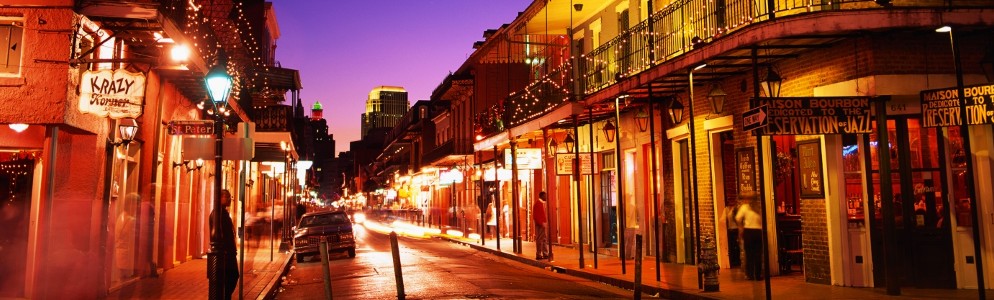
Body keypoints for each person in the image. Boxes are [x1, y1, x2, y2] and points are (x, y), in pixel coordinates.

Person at [208, 190, 239, 300]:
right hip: (224, 253)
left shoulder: (223, 212)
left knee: (231, 277)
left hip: (228, 252)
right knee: (231, 277)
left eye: (229, 196)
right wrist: (224, 250)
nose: (229, 199)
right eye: (226, 196)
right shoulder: (217, 214)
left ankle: (226, 297)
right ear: (219, 198)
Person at [735, 200, 763, 280]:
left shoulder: (745, 207)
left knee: (749, 254)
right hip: (757, 231)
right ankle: (758, 275)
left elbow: (737, 218)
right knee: (758, 254)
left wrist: (741, 228)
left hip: (748, 231)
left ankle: (750, 275)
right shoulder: (758, 208)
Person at [534, 192, 550, 260]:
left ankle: (545, 253)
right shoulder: (538, 204)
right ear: (542, 196)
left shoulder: (541, 204)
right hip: (540, 225)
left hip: (543, 224)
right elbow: (536, 215)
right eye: (545, 196)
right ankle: (539, 254)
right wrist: (541, 223)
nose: (546, 197)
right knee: (540, 239)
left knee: (544, 239)